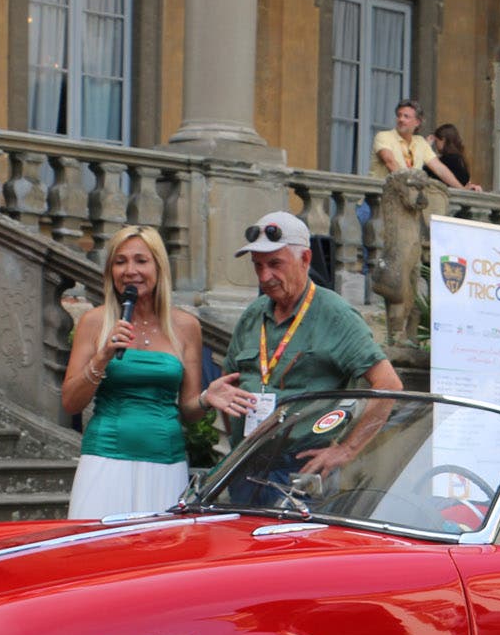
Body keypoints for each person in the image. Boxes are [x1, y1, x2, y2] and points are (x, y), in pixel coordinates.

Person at [204, 212, 403, 479]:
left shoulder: (334, 314)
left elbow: (389, 385)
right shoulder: (253, 315)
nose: (265, 277)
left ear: (305, 259)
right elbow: (230, 384)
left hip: (300, 470)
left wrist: (346, 450)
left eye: (275, 263)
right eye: (258, 265)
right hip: (246, 463)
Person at [62, 226, 206, 518]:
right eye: (120, 261)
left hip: (166, 463)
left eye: (141, 261)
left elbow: (190, 411)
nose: (130, 270)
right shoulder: (95, 321)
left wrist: (207, 399)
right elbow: (70, 403)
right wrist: (101, 358)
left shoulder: (186, 326)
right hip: (106, 459)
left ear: (158, 267)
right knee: (97, 554)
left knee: (161, 558)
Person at [372, 100, 479, 191]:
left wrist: (462, 190)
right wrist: (410, 187)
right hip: (382, 198)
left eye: (406, 116)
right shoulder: (384, 136)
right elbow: (390, 162)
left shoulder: (420, 142)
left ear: (417, 122)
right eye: (399, 115)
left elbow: (440, 169)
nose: (401, 119)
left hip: (407, 200)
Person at [430, 123, 472, 188]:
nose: (435, 145)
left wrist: (426, 148)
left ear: (443, 140)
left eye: (436, 141)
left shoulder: (448, 159)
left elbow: (425, 170)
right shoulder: (460, 158)